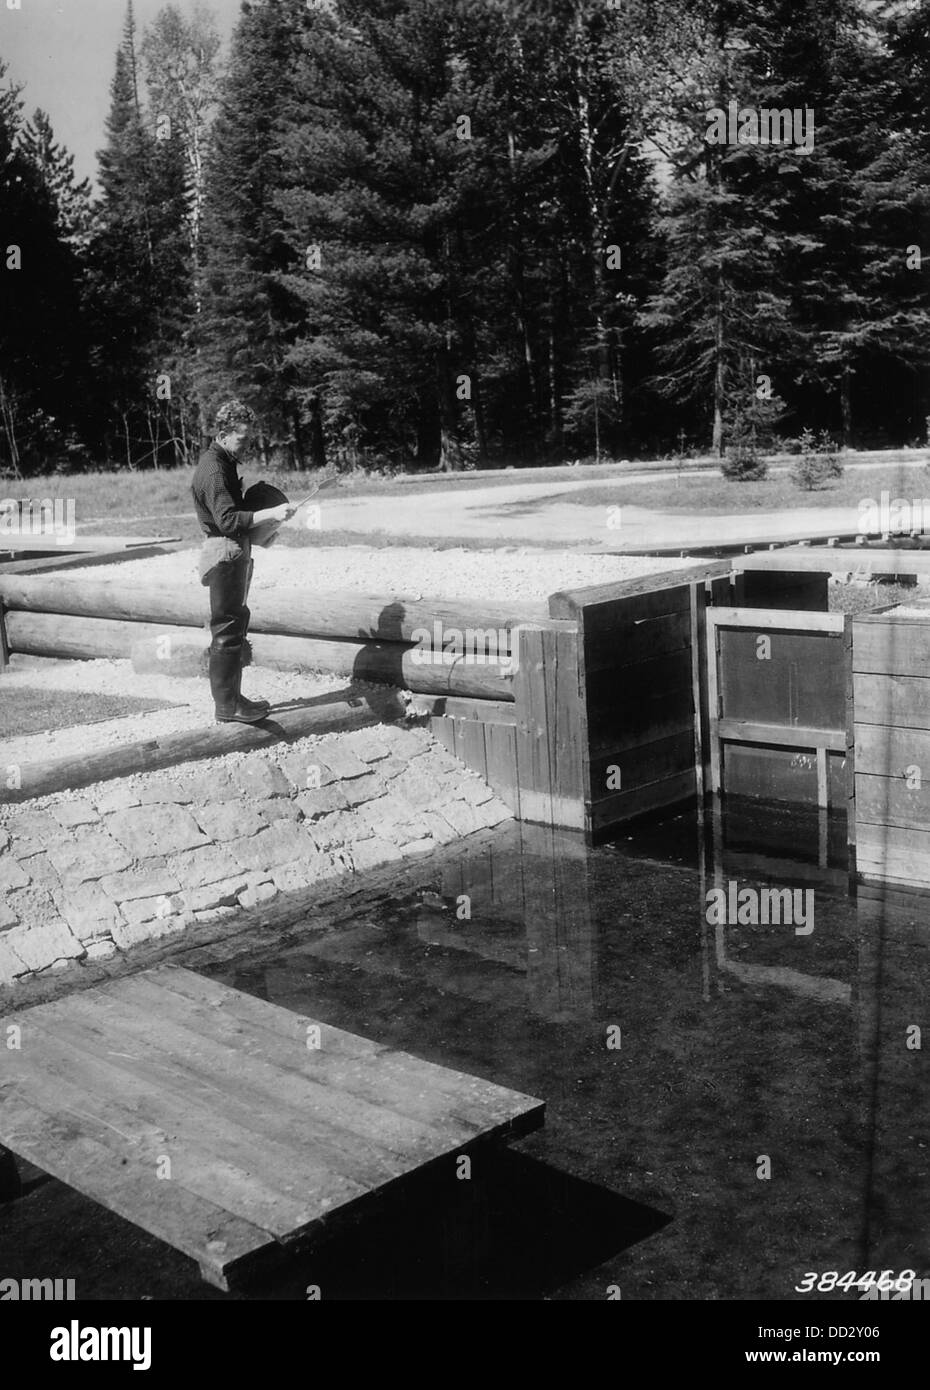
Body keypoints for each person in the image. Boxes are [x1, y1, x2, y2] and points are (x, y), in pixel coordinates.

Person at [191, 400, 295, 723]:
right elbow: (227, 519)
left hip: (232, 552)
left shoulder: (224, 462)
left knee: (235, 625)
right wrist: (271, 513)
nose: (248, 445)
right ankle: (227, 706)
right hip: (224, 551)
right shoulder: (213, 468)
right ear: (223, 434)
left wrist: (264, 530)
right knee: (226, 631)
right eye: (243, 438)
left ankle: (234, 699)